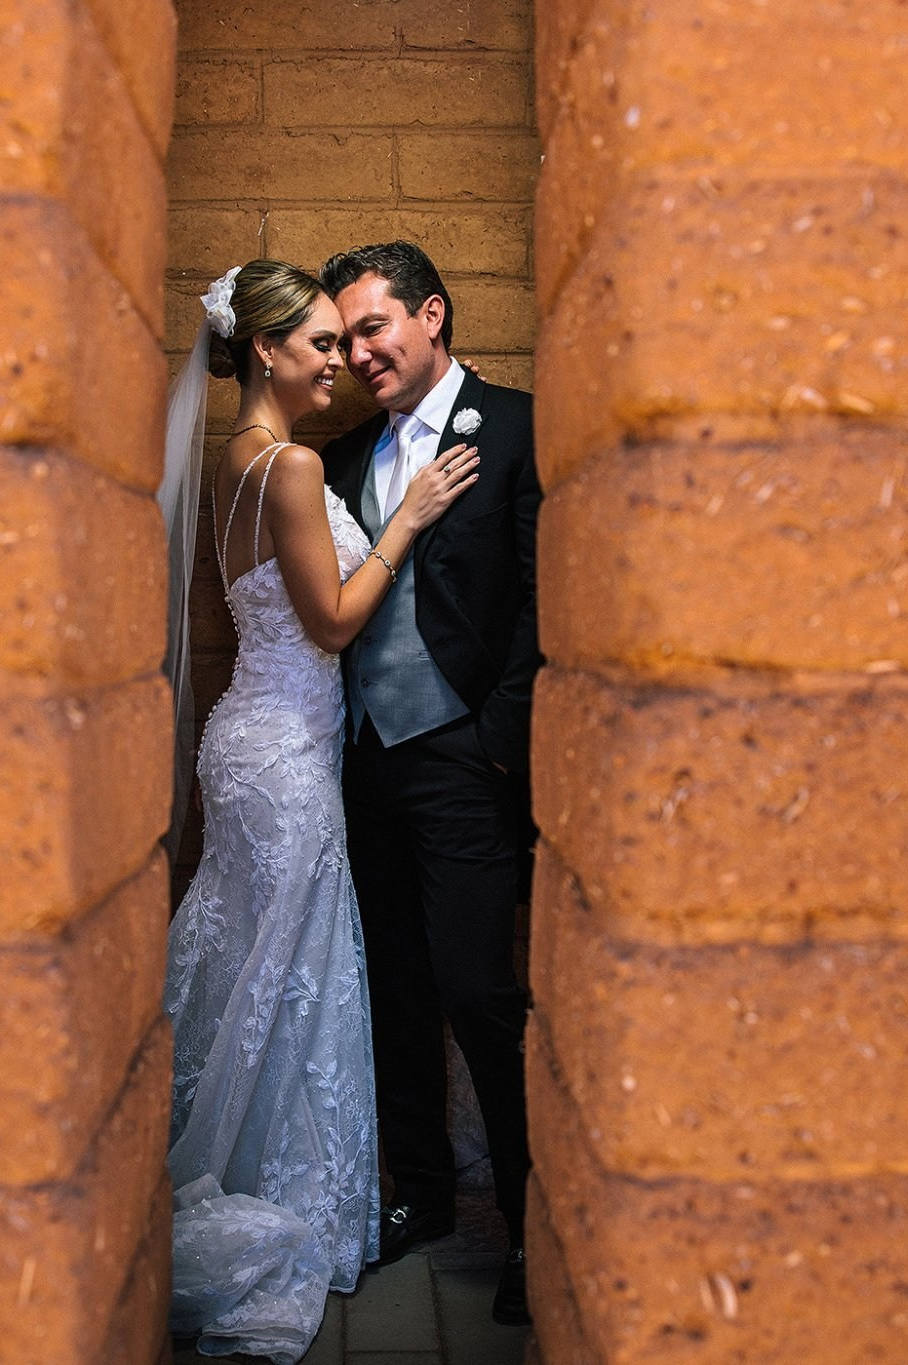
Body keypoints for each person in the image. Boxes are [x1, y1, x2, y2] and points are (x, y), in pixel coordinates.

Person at [159, 260, 480, 1364]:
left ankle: (228, 1160)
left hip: (246, 741)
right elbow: (334, 623)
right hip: (285, 758)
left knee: (257, 967)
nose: (338, 360)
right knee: (286, 976)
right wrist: (412, 516)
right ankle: (271, 1194)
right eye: (316, 343)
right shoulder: (290, 465)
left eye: (345, 343)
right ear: (262, 350)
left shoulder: (233, 460)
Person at [319, 241, 542, 1327]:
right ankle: (424, 1195)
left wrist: (498, 740)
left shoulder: (516, 430)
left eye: (376, 327)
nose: (361, 351)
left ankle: (532, 1231)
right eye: (348, 334)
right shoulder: (350, 452)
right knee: (396, 992)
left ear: (432, 315)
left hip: (464, 761)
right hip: (369, 762)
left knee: (475, 994)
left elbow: (546, 599)